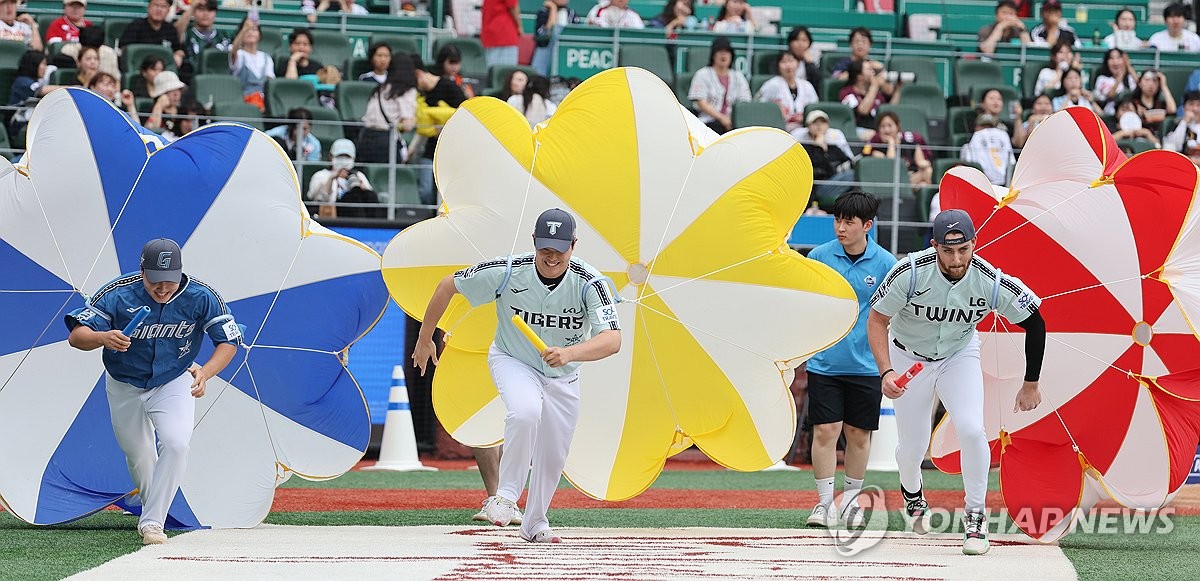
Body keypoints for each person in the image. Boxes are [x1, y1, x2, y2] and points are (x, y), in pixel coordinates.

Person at [413, 208, 622, 543]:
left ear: (574, 245)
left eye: (560, 249)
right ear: (534, 243)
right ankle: (505, 497)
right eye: (545, 249)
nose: (551, 257)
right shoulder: (509, 271)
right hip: (513, 359)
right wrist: (424, 340)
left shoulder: (591, 283)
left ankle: (535, 522)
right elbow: (446, 285)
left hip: (563, 374)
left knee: (554, 453)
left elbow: (612, 340)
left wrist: (568, 353)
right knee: (525, 411)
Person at [868, 210, 1044, 556]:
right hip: (909, 356)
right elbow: (877, 320)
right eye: (947, 251)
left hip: (958, 354)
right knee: (914, 444)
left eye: (963, 249)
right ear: (934, 246)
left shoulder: (989, 280)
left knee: (971, 428)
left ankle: (976, 516)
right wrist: (886, 371)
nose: (956, 258)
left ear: (974, 244)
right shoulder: (910, 272)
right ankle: (912, 491)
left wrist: (1031, 382)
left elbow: (1035, 321)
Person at [64, 238, 240, 545]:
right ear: (142, 270)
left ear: (180, 273)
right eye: (154, 281)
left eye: (169, 282)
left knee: (176, 443)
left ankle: (152, 523)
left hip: (174, 378)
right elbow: (77, 337)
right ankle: (150, 507)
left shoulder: (202, 295)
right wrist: (104, 337)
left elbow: (229, 341)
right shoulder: (117, 293)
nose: (162, 289)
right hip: (124, 383)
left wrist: (206, 372)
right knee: (139, 453)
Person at [803, 191, 897, 530]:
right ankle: (824, 505)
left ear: (867, 226)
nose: (840, 227)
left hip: (867, 365)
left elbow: (893, 315)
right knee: (826, 431)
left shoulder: (887, 264)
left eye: (848, 222)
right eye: (837, 220)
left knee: (858, 434)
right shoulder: (818, 256)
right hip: (824, 362)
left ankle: (851, 504)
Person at [357, 54, 417, 164]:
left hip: (365, 138)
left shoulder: (380, 88)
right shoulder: (406, 91)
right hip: (385, 142)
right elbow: (407, 125)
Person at [688, 36, 750, 135]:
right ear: (713, 55)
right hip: (708, 122)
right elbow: (701, 103)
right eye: (720, 51)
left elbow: (745, 101)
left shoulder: (738, 76)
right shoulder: (702, 74)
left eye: (727, 52)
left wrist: (731, 119)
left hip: (733, 123)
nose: (724, 55)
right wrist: (721, 118)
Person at [307, 138, 381, 218]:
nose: (343, 161)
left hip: (358, 210)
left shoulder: (359, 175)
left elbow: (370, 197)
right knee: (351, 197)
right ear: (331, 157)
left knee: (369, 195)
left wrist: (362, 188)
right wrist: (332, 178)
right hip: (335, 209)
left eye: (347, 157)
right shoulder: (321, 175)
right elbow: (316, 198)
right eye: (340, 156)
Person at [799, 110, 855, 208]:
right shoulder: (804, 147)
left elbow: (848, 161)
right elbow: (815, 170)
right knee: (852, 175)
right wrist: (819, 148)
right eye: (815, 123)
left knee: (855, 173)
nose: (819, 126)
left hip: (834, 181)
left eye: (823, 123)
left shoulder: (833, 147)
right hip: (816, 187)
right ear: (808, 126)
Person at [755, 51, 818, 133]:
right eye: (784, 62)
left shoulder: (807, 85)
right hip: (779, 129)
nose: (788, 65)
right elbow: (758, 106)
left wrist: (805, 117)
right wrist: (775, 110)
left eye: (791, 61)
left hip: (805, 128)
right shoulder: (771, 84)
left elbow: (815, 109)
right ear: (778, 65)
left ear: (798, 64)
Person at [864, 112, 932, 187]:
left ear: (898, 126)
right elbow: (891, 165)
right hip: (892, 181)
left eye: (890, 126)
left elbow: (921, 162)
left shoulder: (910, 144)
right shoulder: (877, 148)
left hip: (911, 178)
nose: (886, 130)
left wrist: (925, 164)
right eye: (882, 126)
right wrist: (891, 142)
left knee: (924, 183)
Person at [840, 59, 900, 141]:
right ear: (859, 76)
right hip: (857, 130)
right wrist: (874, 87)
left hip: (877, 130)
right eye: (869, 70)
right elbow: (863, 110)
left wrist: (897, 90)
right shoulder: (847, 92)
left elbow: (889, 110)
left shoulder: (877, 94)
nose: (873, 73)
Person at [119, 0, 184, 70]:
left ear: (168, 10)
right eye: (156, 5)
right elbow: (124, 49)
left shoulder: (170, 29)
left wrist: (178, 55)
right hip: (140, 70)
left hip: (163, 71)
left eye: (163, 6)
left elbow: (178, 48)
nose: (159, 9)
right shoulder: (135, 26)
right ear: (148, 7)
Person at [175, 0, 230, 83]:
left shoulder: (223, 35)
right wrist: (192, 6)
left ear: (215, 13)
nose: (205, 14)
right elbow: (176, 33)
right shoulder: (187, 33)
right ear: (194, 12)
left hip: (220, 82)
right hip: (191, 82)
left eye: (210, 10)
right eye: (201, 9)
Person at [229, 19, 273, 112]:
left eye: (254, 29)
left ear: (260, 34)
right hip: (243, 101)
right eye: (247, 30)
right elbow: (233, 51)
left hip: (263, 103)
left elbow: (270, 82)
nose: (251, 32)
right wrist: (244, 29)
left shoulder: (266, 57)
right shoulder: (239, 54)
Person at [831, 27, 891, 94]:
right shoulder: (842, 63)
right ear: (851, 44)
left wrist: (880, 71)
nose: (860, 44)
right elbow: (835, 80)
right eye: (856, 41)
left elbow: (888, 90)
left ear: (870, 45)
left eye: (864, 41)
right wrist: (861, 72)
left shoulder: (875, 66)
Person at [960, 113, 1012, 186]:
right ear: (976, 128)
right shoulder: (968, 147)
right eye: (983, 127)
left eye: (990, 127)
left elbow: (1011, 162)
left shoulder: (1002, 139)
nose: (987, 130)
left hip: (1003, 184)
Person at [533, 0, 578, 76]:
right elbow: (546, 34)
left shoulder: (571, 13)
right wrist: (553, 9)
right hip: (546, 50)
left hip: (566, 53)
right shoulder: (543, 12)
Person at [1130, 69, 1176, 136]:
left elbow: (1172, 110)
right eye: (1147, 80)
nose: (1151, 84)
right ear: (1139, 83)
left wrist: (1164, 86)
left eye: (1154, 81)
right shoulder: (1133, 104)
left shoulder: (1160, 104)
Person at [1093, 48, 1137, 116]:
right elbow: (1110, 95)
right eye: (1111, 58)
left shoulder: (1130, 79)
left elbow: (1141, 87)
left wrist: (1128, 66)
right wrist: (1120, 77)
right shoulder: (1102, 79)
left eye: (1119, 58)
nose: (1115, 62)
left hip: (1129, 115)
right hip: (1109, 115)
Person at [144, 70, 187, 139]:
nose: (176, 94)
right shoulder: (150, 110)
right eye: (171, 90)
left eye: (178, 89)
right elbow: (152, 132)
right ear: (162, 94)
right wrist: (159, 106)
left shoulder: (183, 111)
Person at [482, 0, 523, 68]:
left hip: (490, 33)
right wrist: (520, 26)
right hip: (504, 34)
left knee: (492, 71)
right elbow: (513, 7)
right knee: (506, 72)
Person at [1165, 91, 1200, 165]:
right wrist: (1184, 122)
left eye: (1198, 105)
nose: (1195, 109)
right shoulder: (1176, 124)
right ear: (1184, 107)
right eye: (1191, 104)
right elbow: (1172, 147)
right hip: (1183, 165)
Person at [786, 26, 822, 93]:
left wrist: (810, 63)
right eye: (796, 40)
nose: (800, 44)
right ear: (790, 43)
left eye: (804, 40)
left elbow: (818, 82)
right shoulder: (782, 60)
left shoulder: (813, 61)